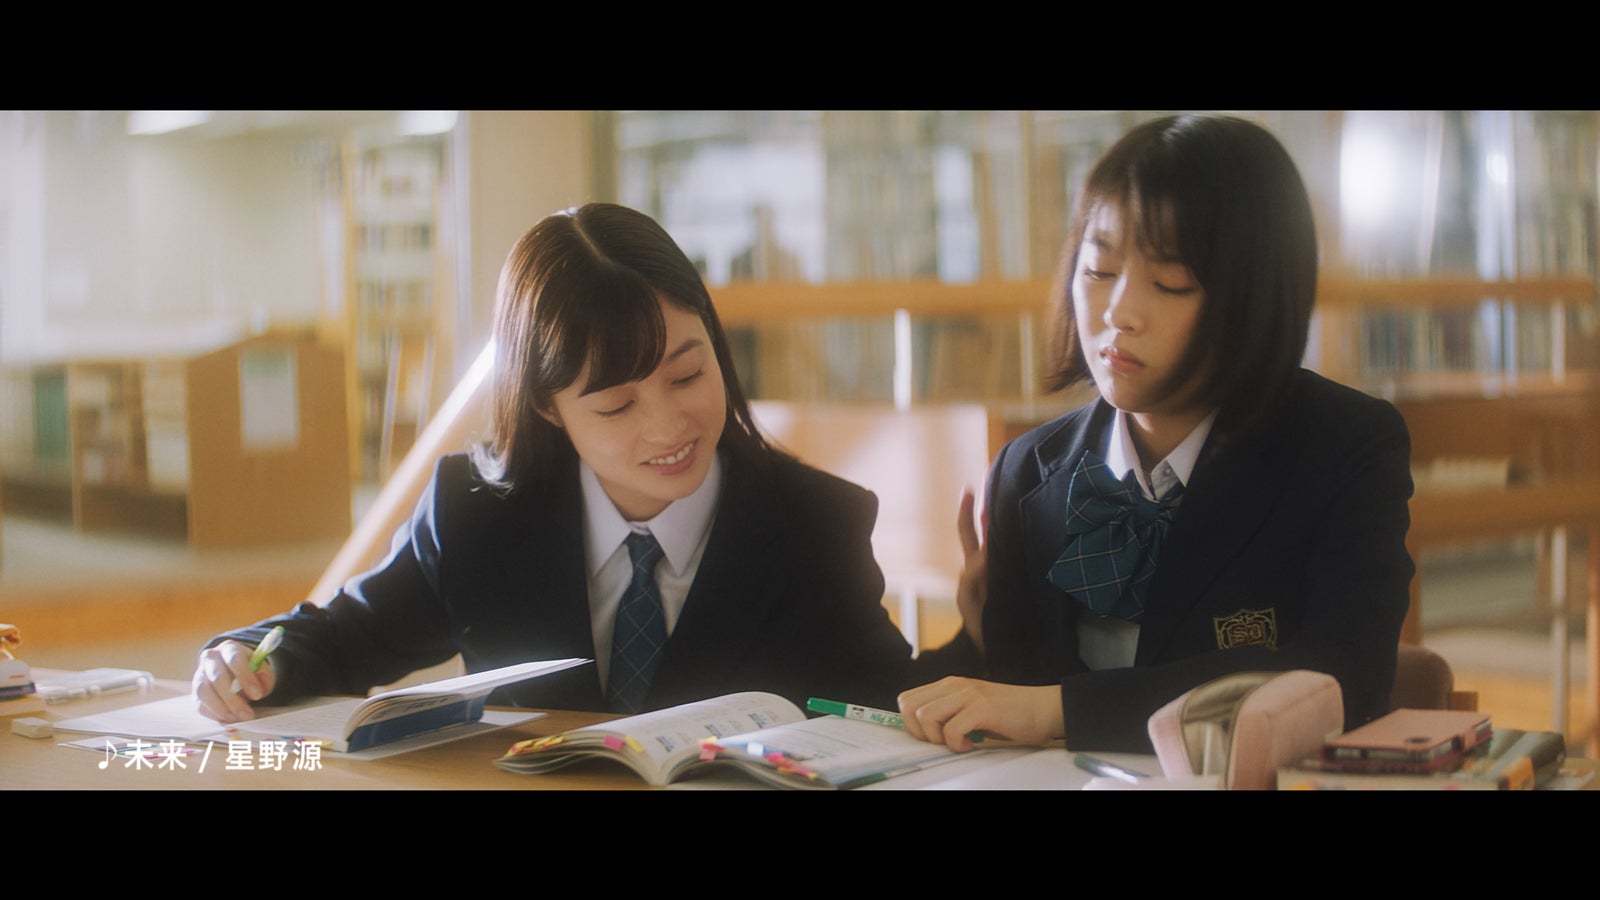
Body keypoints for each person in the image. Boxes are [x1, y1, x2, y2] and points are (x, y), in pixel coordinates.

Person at [193, 202, 979, 724]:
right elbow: (341, 638)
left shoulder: (811, 524)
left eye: (688, 374)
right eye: (615, 406)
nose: (668, 426)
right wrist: (246, 660)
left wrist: (982, 629)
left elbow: (887, 703)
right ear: (547, 406)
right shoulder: (475, 514)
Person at [898, 114, 1414, 754]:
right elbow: (1005, 700)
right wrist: (982, 636)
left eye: (1169, 282)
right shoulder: (1026, 471)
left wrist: (1059, 709)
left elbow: (1340, 681)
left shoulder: (1344, 447)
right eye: (1098, 270)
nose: (1119, 312)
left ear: (1255, 297)